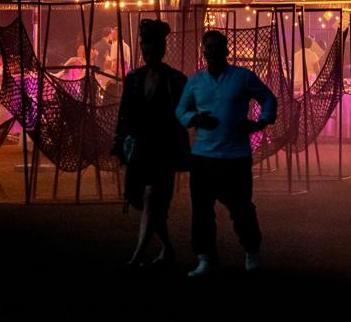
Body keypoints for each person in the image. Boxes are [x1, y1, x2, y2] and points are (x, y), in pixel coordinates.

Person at [175, 29, 278, 276]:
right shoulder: (195, 81)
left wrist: (260, 122)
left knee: (242, 208)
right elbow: (179, 110)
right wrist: (193, 117)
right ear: (203, 52)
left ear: (226, 50)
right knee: (201, 211)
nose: (212, 51)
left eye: (217, 47)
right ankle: (204, 258)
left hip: (235, 157)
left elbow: (268, 99)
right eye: (208, 47)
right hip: (202, 157)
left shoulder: (242, 77)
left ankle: (252, 251)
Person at [113, 19, 190, 268]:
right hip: (140, 147)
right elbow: (124, 112)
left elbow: (183, 115)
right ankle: (167, 248)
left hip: (163, 149)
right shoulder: (134, 77)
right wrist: (119, 141)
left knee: (150, 197)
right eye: (146, 51)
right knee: (141, 198)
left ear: (163, 50)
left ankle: (138, 255)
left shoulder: (176, 79)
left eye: (153, 50)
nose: (149, 55)